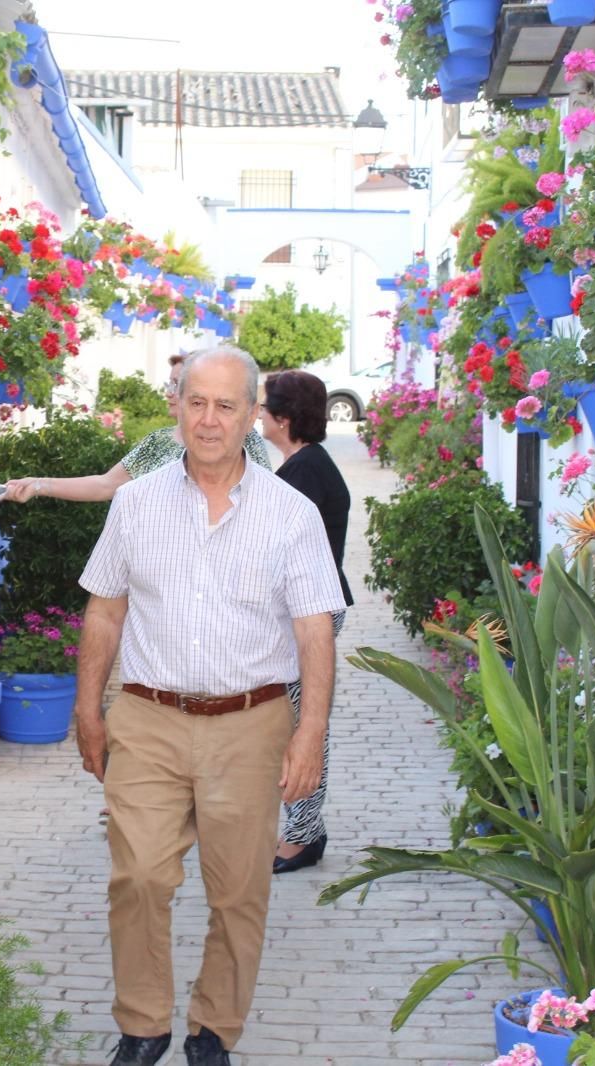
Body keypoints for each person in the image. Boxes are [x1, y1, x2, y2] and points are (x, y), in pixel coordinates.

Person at [75, 347, 346, 1066]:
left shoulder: (291, 513)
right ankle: (142, 1025)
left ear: (253, 414)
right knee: (138, 876)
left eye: (227, 405)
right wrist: (87, 709)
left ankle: (213, 1031)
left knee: (238, 892)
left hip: (251, 724)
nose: (210, 419)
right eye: (197, 402)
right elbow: (105, 612)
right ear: (176, 406)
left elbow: (315, 628)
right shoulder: (136, 503)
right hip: (147, 715)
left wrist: (309, 732)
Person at [258, 369, 354, 875]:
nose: (257, 416)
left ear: (283, 419)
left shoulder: (305, 473)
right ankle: (302, 830)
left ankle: (303, 835)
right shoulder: (307, 466)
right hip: (304, 612)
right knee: (292, 724)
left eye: (263, 408)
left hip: (308, 616)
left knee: (302, 728)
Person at [0, 353, 269, 507]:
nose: (171, 393)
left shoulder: (242, 439)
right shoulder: (157, 442)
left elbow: (263, 497)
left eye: (179, 385)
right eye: (171, 384)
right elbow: (106, 484)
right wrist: (39, 485)